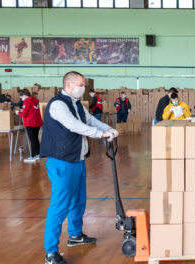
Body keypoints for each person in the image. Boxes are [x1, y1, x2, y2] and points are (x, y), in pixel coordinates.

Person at [40, 71, 119, 264]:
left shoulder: (76, 104)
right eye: (81, 85)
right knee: (59, 207)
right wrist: (100, 135)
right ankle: (51, 252)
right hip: (62, 162)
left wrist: (107, 129)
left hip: (78, 160)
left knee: (78, 202)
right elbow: (74, 125)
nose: (83, 88)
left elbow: (89, 120)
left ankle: (75, 235)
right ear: (69, 84)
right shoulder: (58, 105)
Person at [16, 89, 43, 163]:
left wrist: (18, 112)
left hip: (30, 123)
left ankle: (32, 156)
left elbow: (24, 114)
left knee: (32, 140)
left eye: (21, 97)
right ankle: (38, 154)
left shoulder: (26, 102)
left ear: (24, 96)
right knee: (35, 139)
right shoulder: (35, 101)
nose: (21, 99)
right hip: (37, 123)